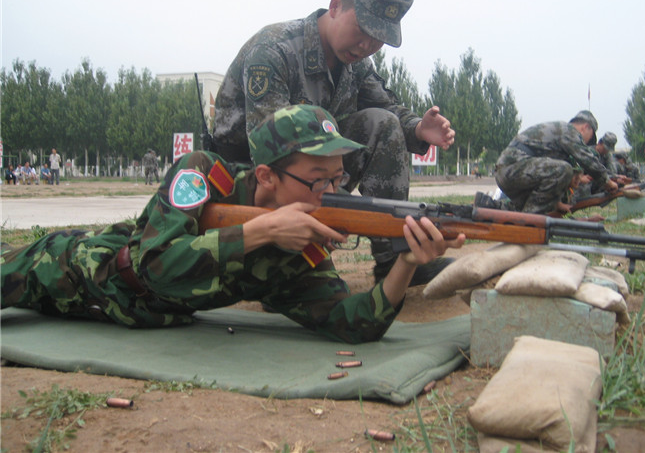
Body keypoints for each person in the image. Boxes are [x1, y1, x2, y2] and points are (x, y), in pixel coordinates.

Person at [1, 105, 464, 343]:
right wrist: (262, 231)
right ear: (266, 176)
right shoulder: (203, 175)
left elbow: (352, 324)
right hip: (75, 271)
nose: (330, 192)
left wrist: (405, 263)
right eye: (317, 180)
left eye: (338, 177)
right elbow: (155, 266)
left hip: (146, 320)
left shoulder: (297, 252)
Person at [212, 0, 456, 285]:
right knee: (310, 292)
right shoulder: (274, 50)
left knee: (383, 124)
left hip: (310, 176)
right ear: (335, 6)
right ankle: (277, 263)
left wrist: (417, 128)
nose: (367, 44)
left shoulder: (356, 64)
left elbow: (386, 109)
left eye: (379, 38)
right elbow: (269, 152)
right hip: (252, 182)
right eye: (362, 29)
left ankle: (392, 260)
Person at [494, 110, 619, 215]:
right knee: (564, 170)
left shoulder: (560, 136)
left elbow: (550, 176)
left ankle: (496, 209)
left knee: (520, 207)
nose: (586, 143)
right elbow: (586, 159)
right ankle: (530, 220)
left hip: (511, 171)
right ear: (585, 128)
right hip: (512, 168)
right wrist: (607, 181)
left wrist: (556, 203)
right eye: (590, 138)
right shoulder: (568, 130)